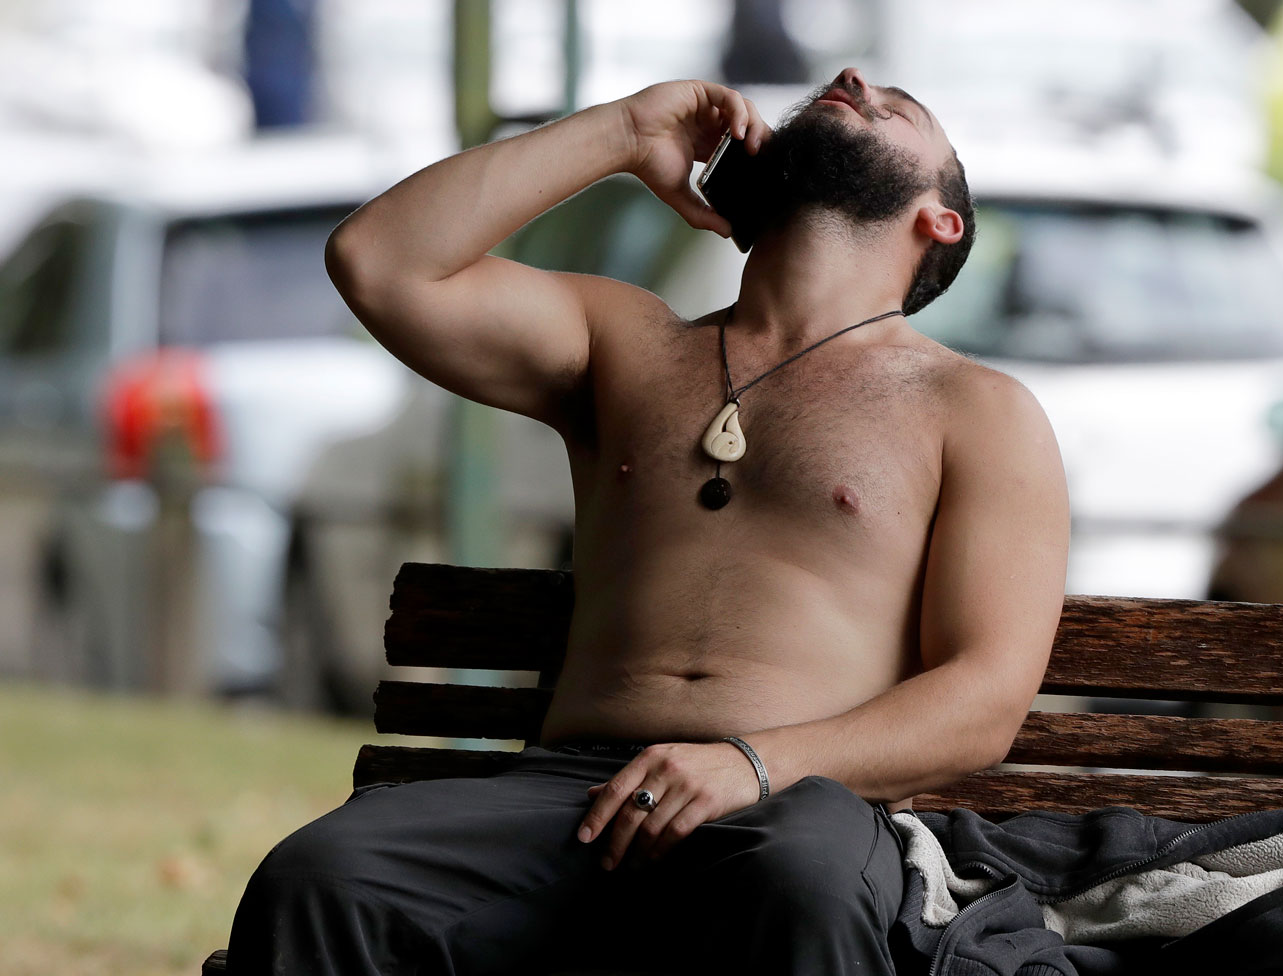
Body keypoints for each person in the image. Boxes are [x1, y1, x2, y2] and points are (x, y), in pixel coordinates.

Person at [228, 67, 1070, 975]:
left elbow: (984, 699)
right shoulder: (625, 342)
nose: (854, 78)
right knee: (322, 875)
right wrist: (623, 134)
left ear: (938, 219)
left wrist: (750, 765)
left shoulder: (975, 408)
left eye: (900, 111)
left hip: (802, 805)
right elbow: (379, 260)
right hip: (572, 795)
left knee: (799, 884)